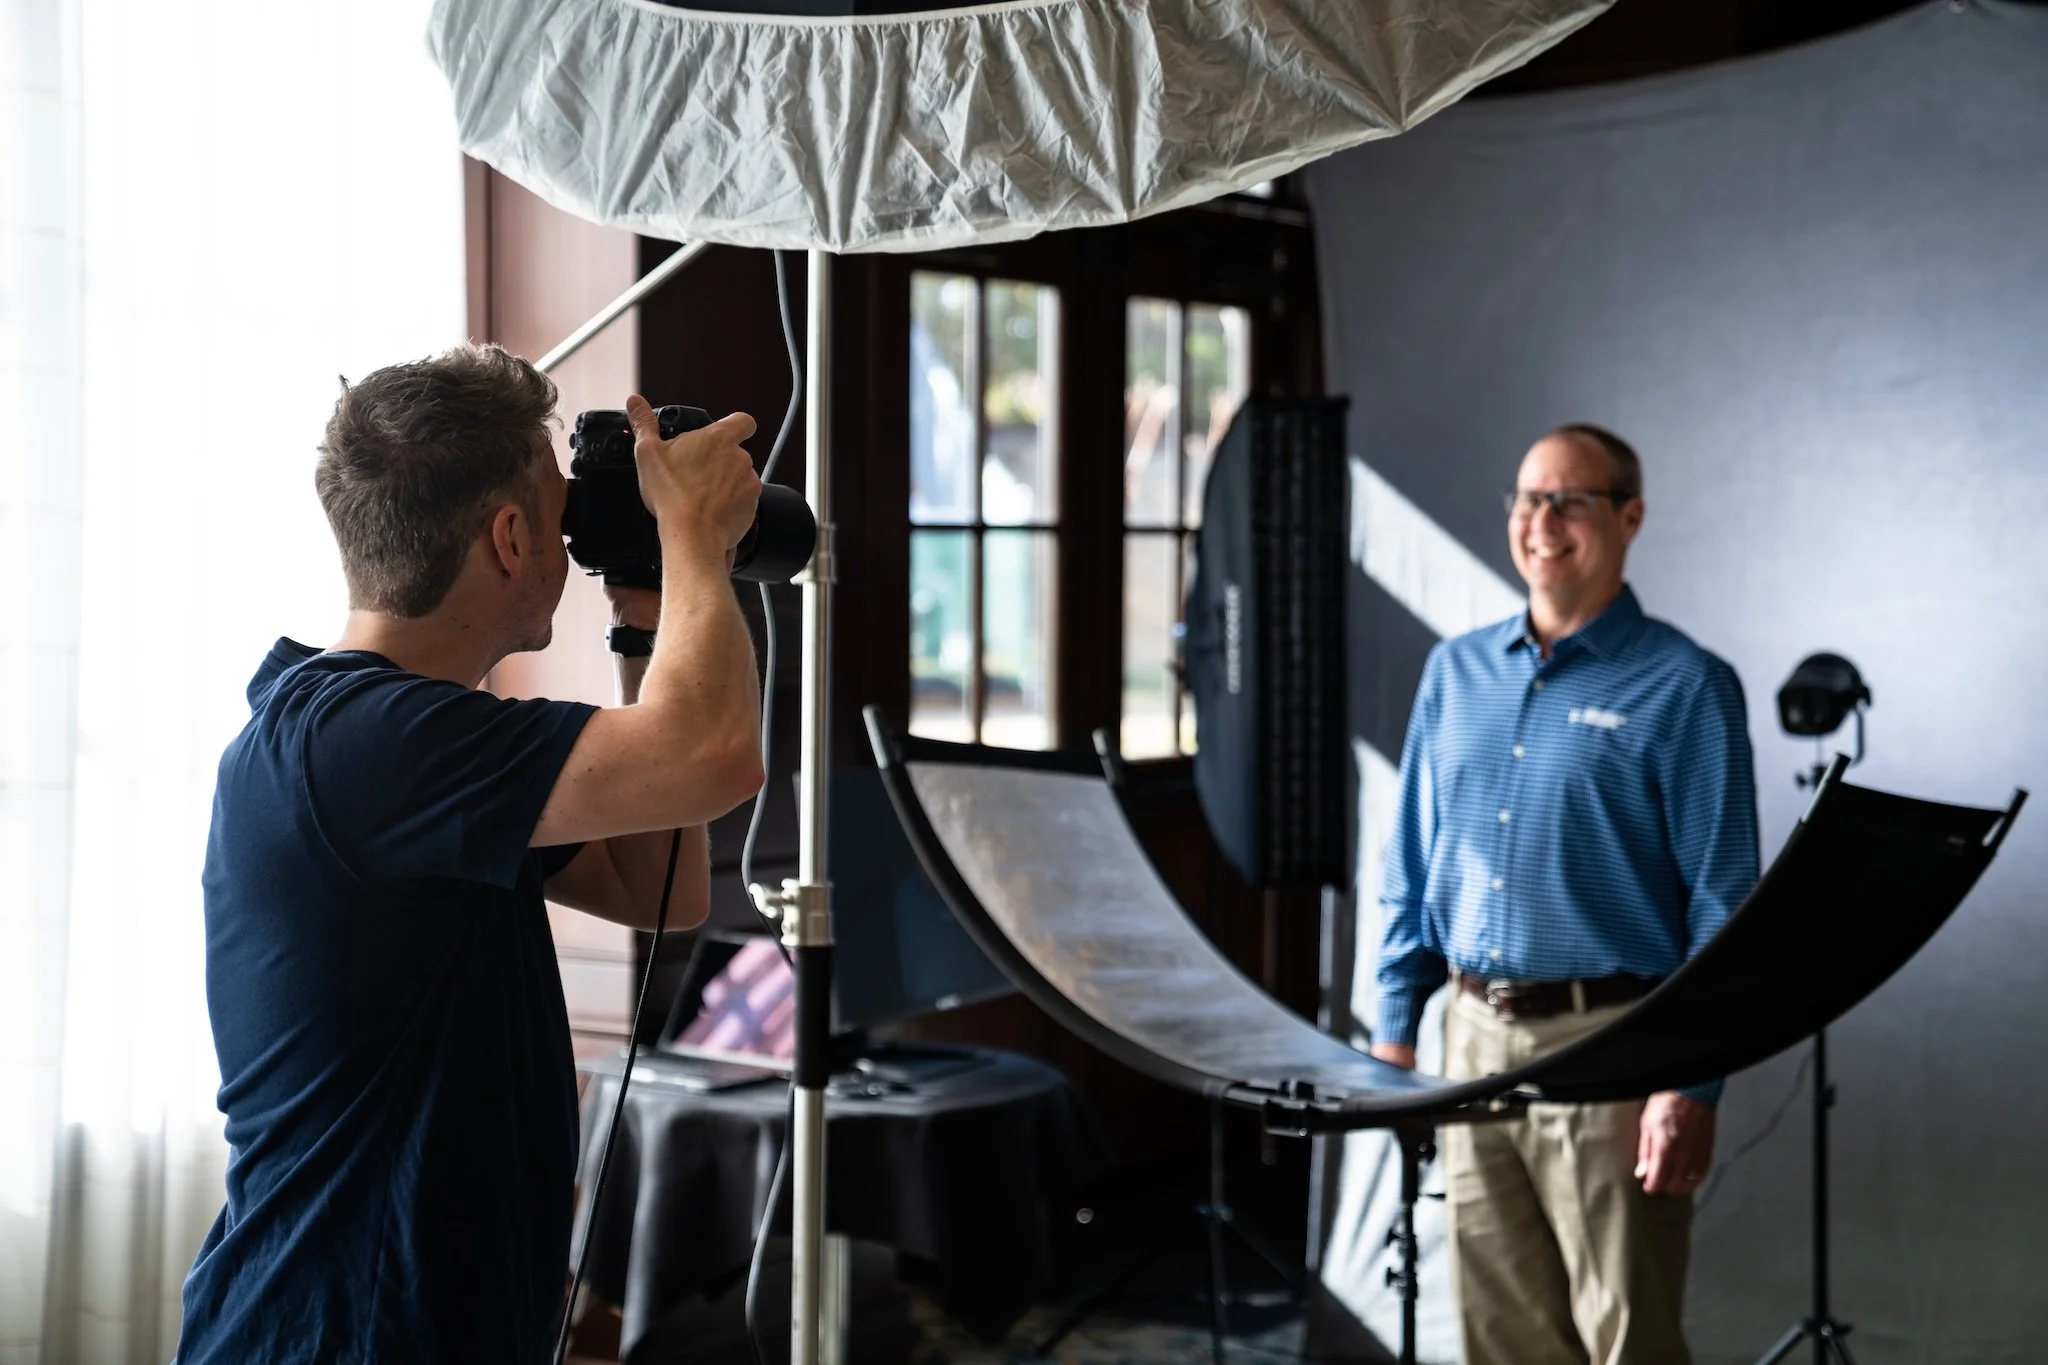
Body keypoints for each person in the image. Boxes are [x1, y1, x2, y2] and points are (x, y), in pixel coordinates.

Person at [174, 344, 766, 1363]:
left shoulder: (410, 743)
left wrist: (652, 606)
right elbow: (712, 755)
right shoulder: (363, 740)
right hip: (339, 1334)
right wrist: (695, 540)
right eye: (556, 509)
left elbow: (649, 886)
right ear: (507, 537)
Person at [1368, 425, 1759, 1365]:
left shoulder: (1687, 685)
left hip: (1615, 1047)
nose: (1540, 522)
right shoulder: (1454, 674)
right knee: (1503, 1334)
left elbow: (1723, 901)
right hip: (1469, 1048)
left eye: (1569, 501)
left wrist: (1689, 1078)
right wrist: (1392, 1036)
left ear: (1629, 517)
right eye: (1525, 499)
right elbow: (1412, 868)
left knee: (1627, 1335)